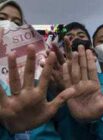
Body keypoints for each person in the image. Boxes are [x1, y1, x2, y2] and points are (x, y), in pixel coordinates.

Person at [0, 0, 61, 140]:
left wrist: (59, 88)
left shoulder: (38, 67)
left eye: (17, 21)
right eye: (2, 18)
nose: (9, 24)